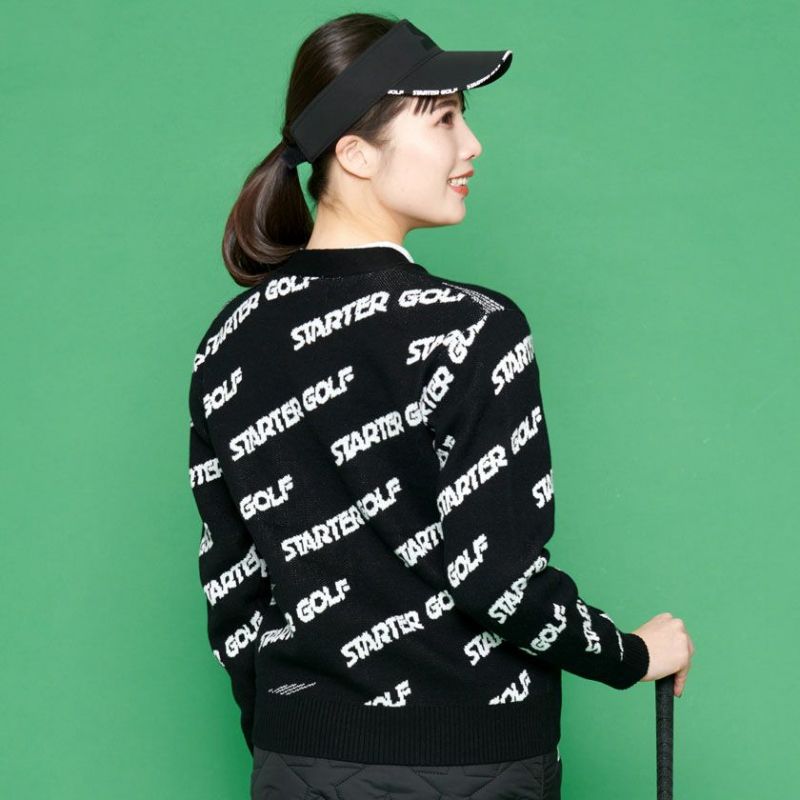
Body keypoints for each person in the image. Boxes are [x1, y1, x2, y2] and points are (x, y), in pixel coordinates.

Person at [187, 13, 695, 800]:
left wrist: (299, 744)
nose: (472, 145)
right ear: (355, 154)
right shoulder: (476, 328)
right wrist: (631, 656)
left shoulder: (229, 343)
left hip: (297, 762)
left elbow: (233, 591)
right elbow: (496, 580)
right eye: (445, 119)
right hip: (474, 763)